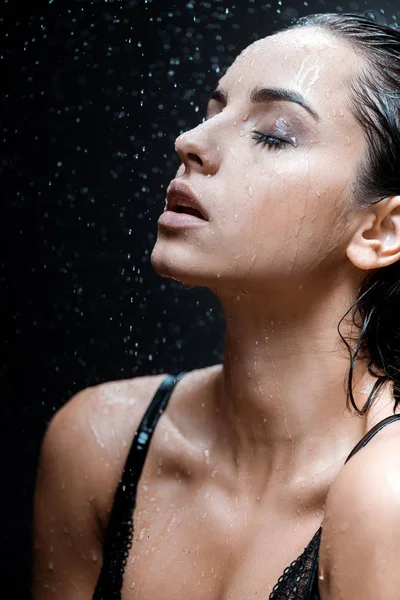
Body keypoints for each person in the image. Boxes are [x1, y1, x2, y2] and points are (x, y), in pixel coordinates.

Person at [33, 12, 400, 600]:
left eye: (273, 133)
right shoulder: (100, 442)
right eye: (212, 114)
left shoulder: (389, 494)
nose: (190, 143)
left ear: (381, 230)